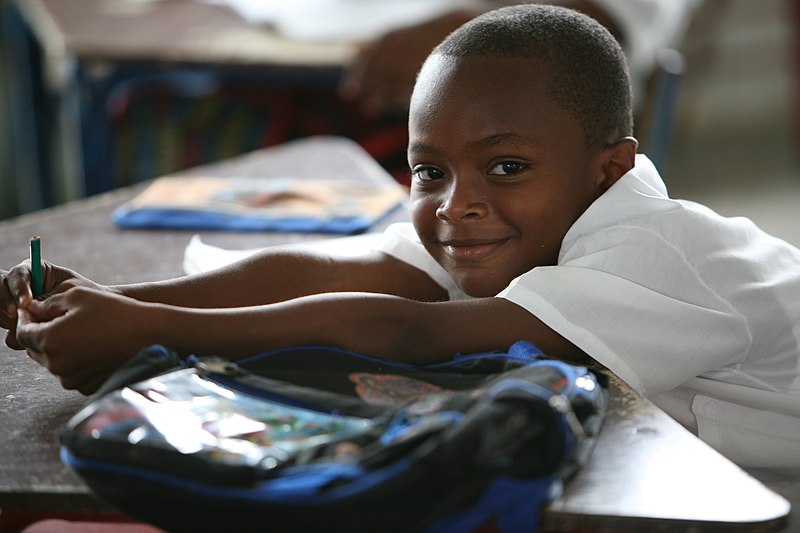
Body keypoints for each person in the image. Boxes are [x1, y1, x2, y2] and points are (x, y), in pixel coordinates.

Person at [2, 3, 799, 475]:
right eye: (428, 171)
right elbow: (332, 267)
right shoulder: (510, 221)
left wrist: (148, 329)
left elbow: (406, 328)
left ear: (608, 168)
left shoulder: (652, 251)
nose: (458, 206)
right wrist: (107, 300)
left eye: (507, 165)